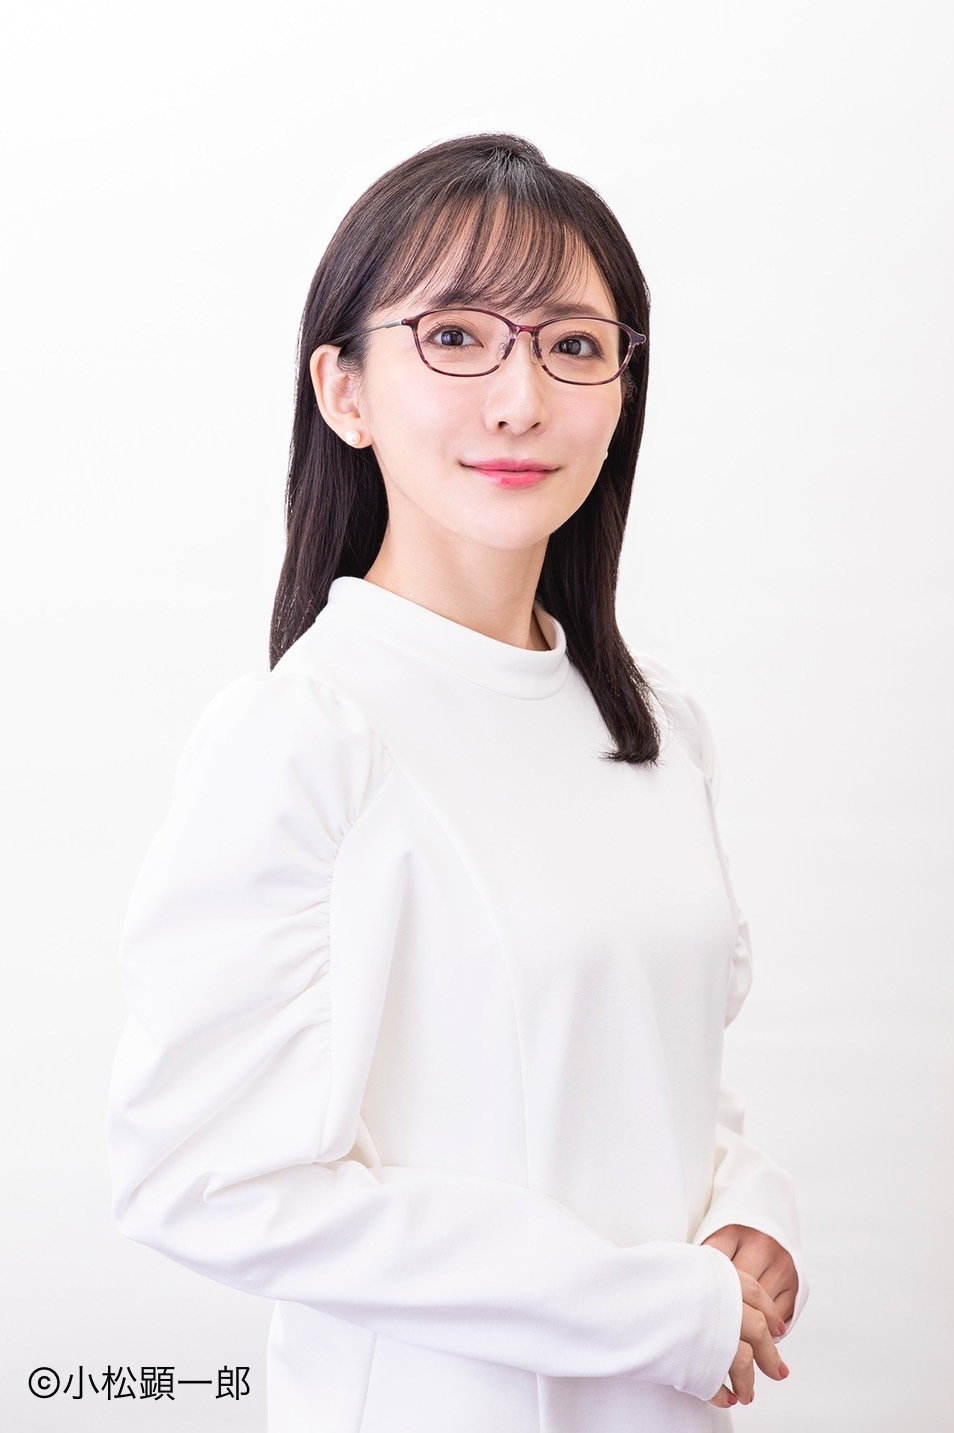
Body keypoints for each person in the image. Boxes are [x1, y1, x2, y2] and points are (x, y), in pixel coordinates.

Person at [106, 133, 805, 1432]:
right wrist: (645, 1308)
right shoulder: (306, 735)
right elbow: (200, 1177)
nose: (519, 398)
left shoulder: (657, 726)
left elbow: (638, 1064)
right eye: (455, 338)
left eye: (574, 345)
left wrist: (744, 1207)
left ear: (622, 391)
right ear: (345, 390)